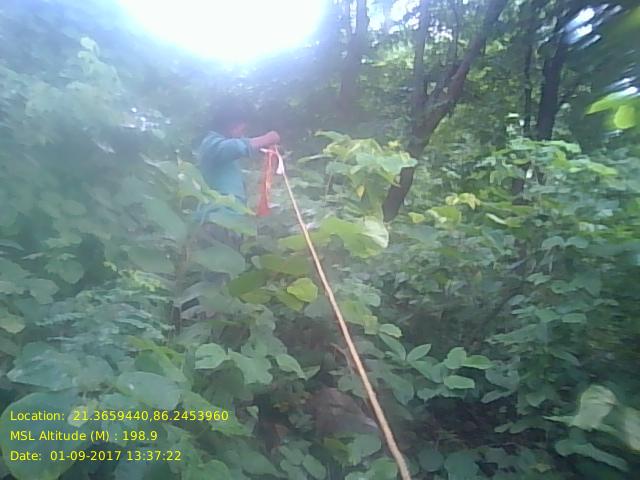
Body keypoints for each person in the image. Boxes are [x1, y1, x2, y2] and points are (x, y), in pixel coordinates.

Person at [194, 98, 281, 247]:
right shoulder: (211, 143)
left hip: (230, 223)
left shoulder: (224, 153)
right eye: (242, 129)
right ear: (232, 125)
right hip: (216, 220)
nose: (242, 134)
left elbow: (240, 145)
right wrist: (267, 138)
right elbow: (236, 147)